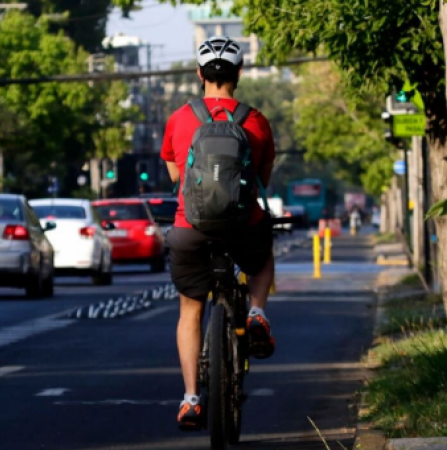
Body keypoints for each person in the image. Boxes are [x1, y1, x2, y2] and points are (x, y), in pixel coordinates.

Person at [160, 36, 276, 430]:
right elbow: (261, 180)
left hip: (190, 228)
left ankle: (191, 398)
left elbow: (175, 176)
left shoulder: (179, 119)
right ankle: (257, 312)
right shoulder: (256, 120)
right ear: (239, 73)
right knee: (262, 254)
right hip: (242, 226)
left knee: (190, 310)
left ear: (200, 74)